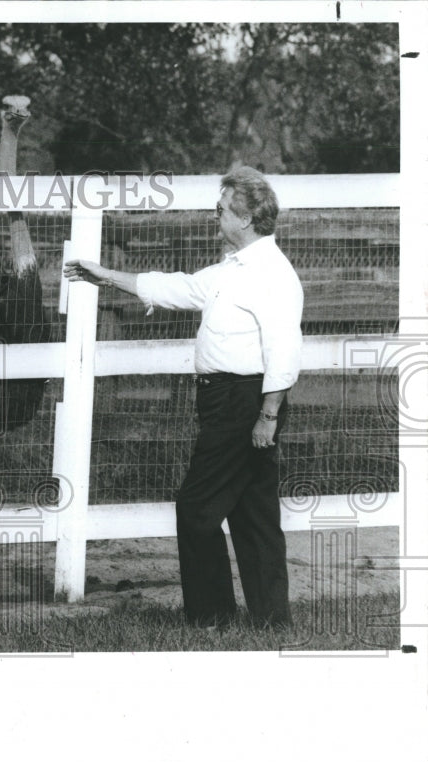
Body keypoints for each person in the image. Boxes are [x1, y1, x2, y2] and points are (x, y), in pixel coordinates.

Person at [64, 166, 303, 629]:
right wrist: (105, 276)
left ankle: (212, 618)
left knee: (196, 509)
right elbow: (178, 287)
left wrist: (267, 416)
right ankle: (272, 621)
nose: (215, 216)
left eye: (221, 210)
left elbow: (285, 349)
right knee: (254, 514)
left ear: (247, 218)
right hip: (230, 401)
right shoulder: (231, 270)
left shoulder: (272, 274)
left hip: (245, 401)